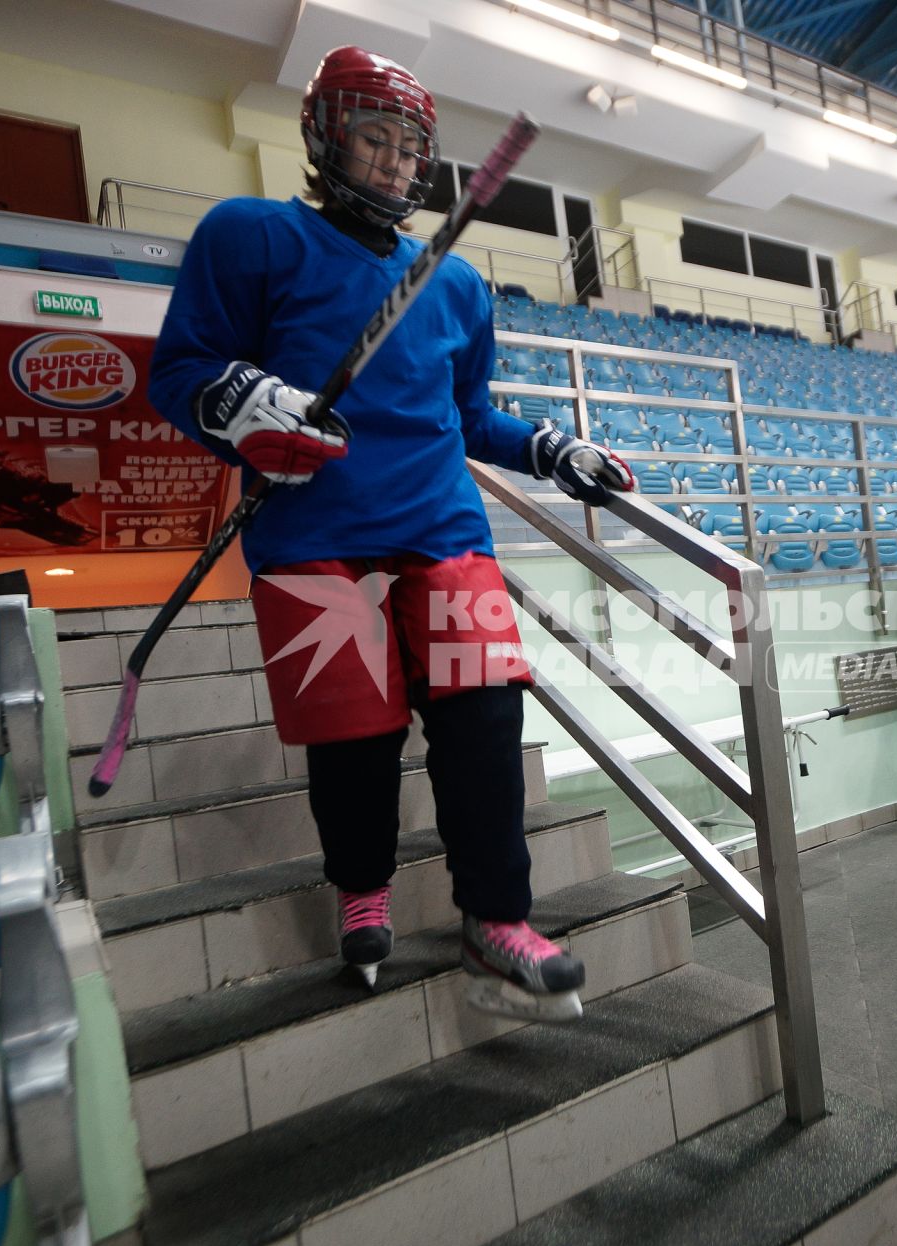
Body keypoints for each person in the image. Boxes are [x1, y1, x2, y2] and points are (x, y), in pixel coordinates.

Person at [148, 46, 632, 1022]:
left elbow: (469, 415)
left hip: (441, 524)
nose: (397, 162)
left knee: (487, 715)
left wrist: (550, 447)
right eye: (375, 136)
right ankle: (361, 887)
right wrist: (246, 401)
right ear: (325, 135)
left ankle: (496, 921)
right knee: (356, 738)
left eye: (412, 147)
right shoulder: (249, 235)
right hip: (309, 534)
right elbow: (180, 371)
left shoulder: (454, 285)